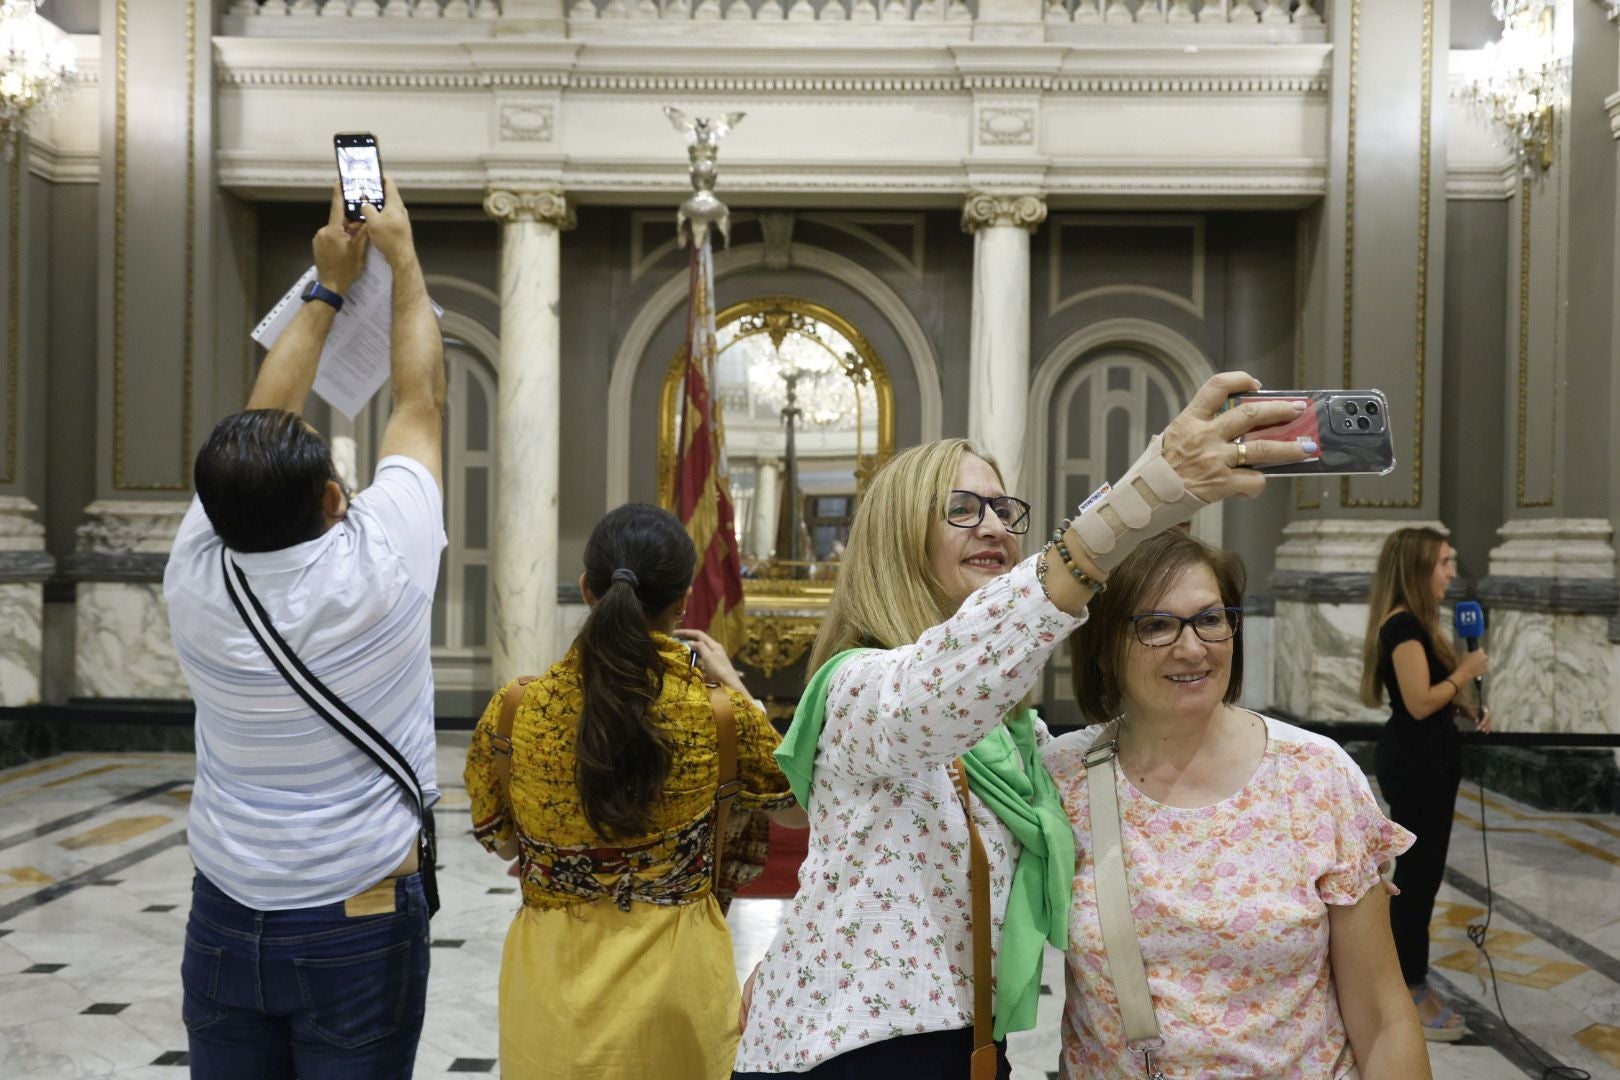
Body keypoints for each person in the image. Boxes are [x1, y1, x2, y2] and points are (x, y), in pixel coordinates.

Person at [734, 373, 1314, 1079]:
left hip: (969, 1048)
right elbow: (942, 688)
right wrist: (1142, 491)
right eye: (960, 509)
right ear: (897, 535)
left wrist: (1307, 830)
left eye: (1003, 509)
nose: (993, 526)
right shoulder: (859, 687)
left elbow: (1131, 769)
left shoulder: (1014, 739)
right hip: (848, 1049)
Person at [164, 178, 445, 1079]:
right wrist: (398, 260)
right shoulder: (383, 564)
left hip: (224, 911)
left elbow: (261, 423)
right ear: (335, 499)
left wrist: (325, 288)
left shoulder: (196, 571)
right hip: (356, 919)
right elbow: (419, 405)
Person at [1045, 532, 1429, 1079]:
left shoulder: (1315, 775)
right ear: (1104, 649)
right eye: (1155, 625)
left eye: (1210, 618)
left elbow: (1384, 1017)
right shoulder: (1063, 779)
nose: (1192, 647)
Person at [464, 503, 804, 1080]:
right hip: (677, 994)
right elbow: (797, 810)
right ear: (683, 602)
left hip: (550, 992)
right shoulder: (718, 716)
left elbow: (501, 844)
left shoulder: (514, 712)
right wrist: (740, 690)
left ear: (585, 589)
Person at [1358, 527, 1491, 1041]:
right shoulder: (1403, 627)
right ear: (1416, 568)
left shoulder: (1419, 624)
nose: (1451, 572)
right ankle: (1406, 989)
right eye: (1442, 562)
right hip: (1417, 765)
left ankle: (1413, 980)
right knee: (1414, 882)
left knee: (1426, 878)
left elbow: (1432, 696)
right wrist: (1466, 672)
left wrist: (1466, 704)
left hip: (1431, 758)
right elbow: (1416, 703)